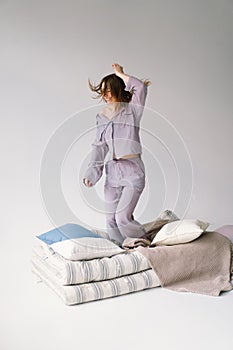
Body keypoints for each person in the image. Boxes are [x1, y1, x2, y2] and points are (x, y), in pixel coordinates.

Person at [83, 63, 150, 245]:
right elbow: (99, 147)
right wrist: (92, 174)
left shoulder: (132, 110)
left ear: (118, 90)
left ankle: (143, 242)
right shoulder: (101, 116)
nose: (105, 95)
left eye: (109, 91)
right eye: (103, 92)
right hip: (112, 173)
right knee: (111, 221)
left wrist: (121, 74)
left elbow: (140, 88)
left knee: (122, 218)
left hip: (132, 171)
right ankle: (121, 252)